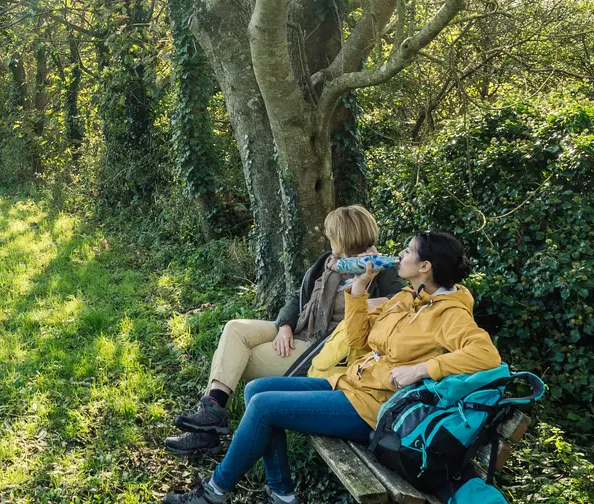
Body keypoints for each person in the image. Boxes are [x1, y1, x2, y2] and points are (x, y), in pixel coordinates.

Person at [163, 230, 500, 504]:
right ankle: (281, 493)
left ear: (425, 266)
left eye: (408, 252)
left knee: (265, 407)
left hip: (375, 407)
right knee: (255, 390)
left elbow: (486, 356)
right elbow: (357, 340)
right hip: (353, 383)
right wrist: (359, 287)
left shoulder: (450, 313)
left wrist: (422, 369)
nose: (400, 256)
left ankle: (214, 492)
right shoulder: (406, 298)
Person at [165, 205, 402, 453]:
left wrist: (380, 303)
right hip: (301, 328)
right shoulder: (330, 262)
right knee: (235, 328)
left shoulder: (381, 271)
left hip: (321, 347)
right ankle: (211, 415)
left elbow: (401, 304)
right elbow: (296, 298)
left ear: (344, 238)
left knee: (234, 362)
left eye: (332, 234)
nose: (328, 238)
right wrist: (285, 325)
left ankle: (206, 430)